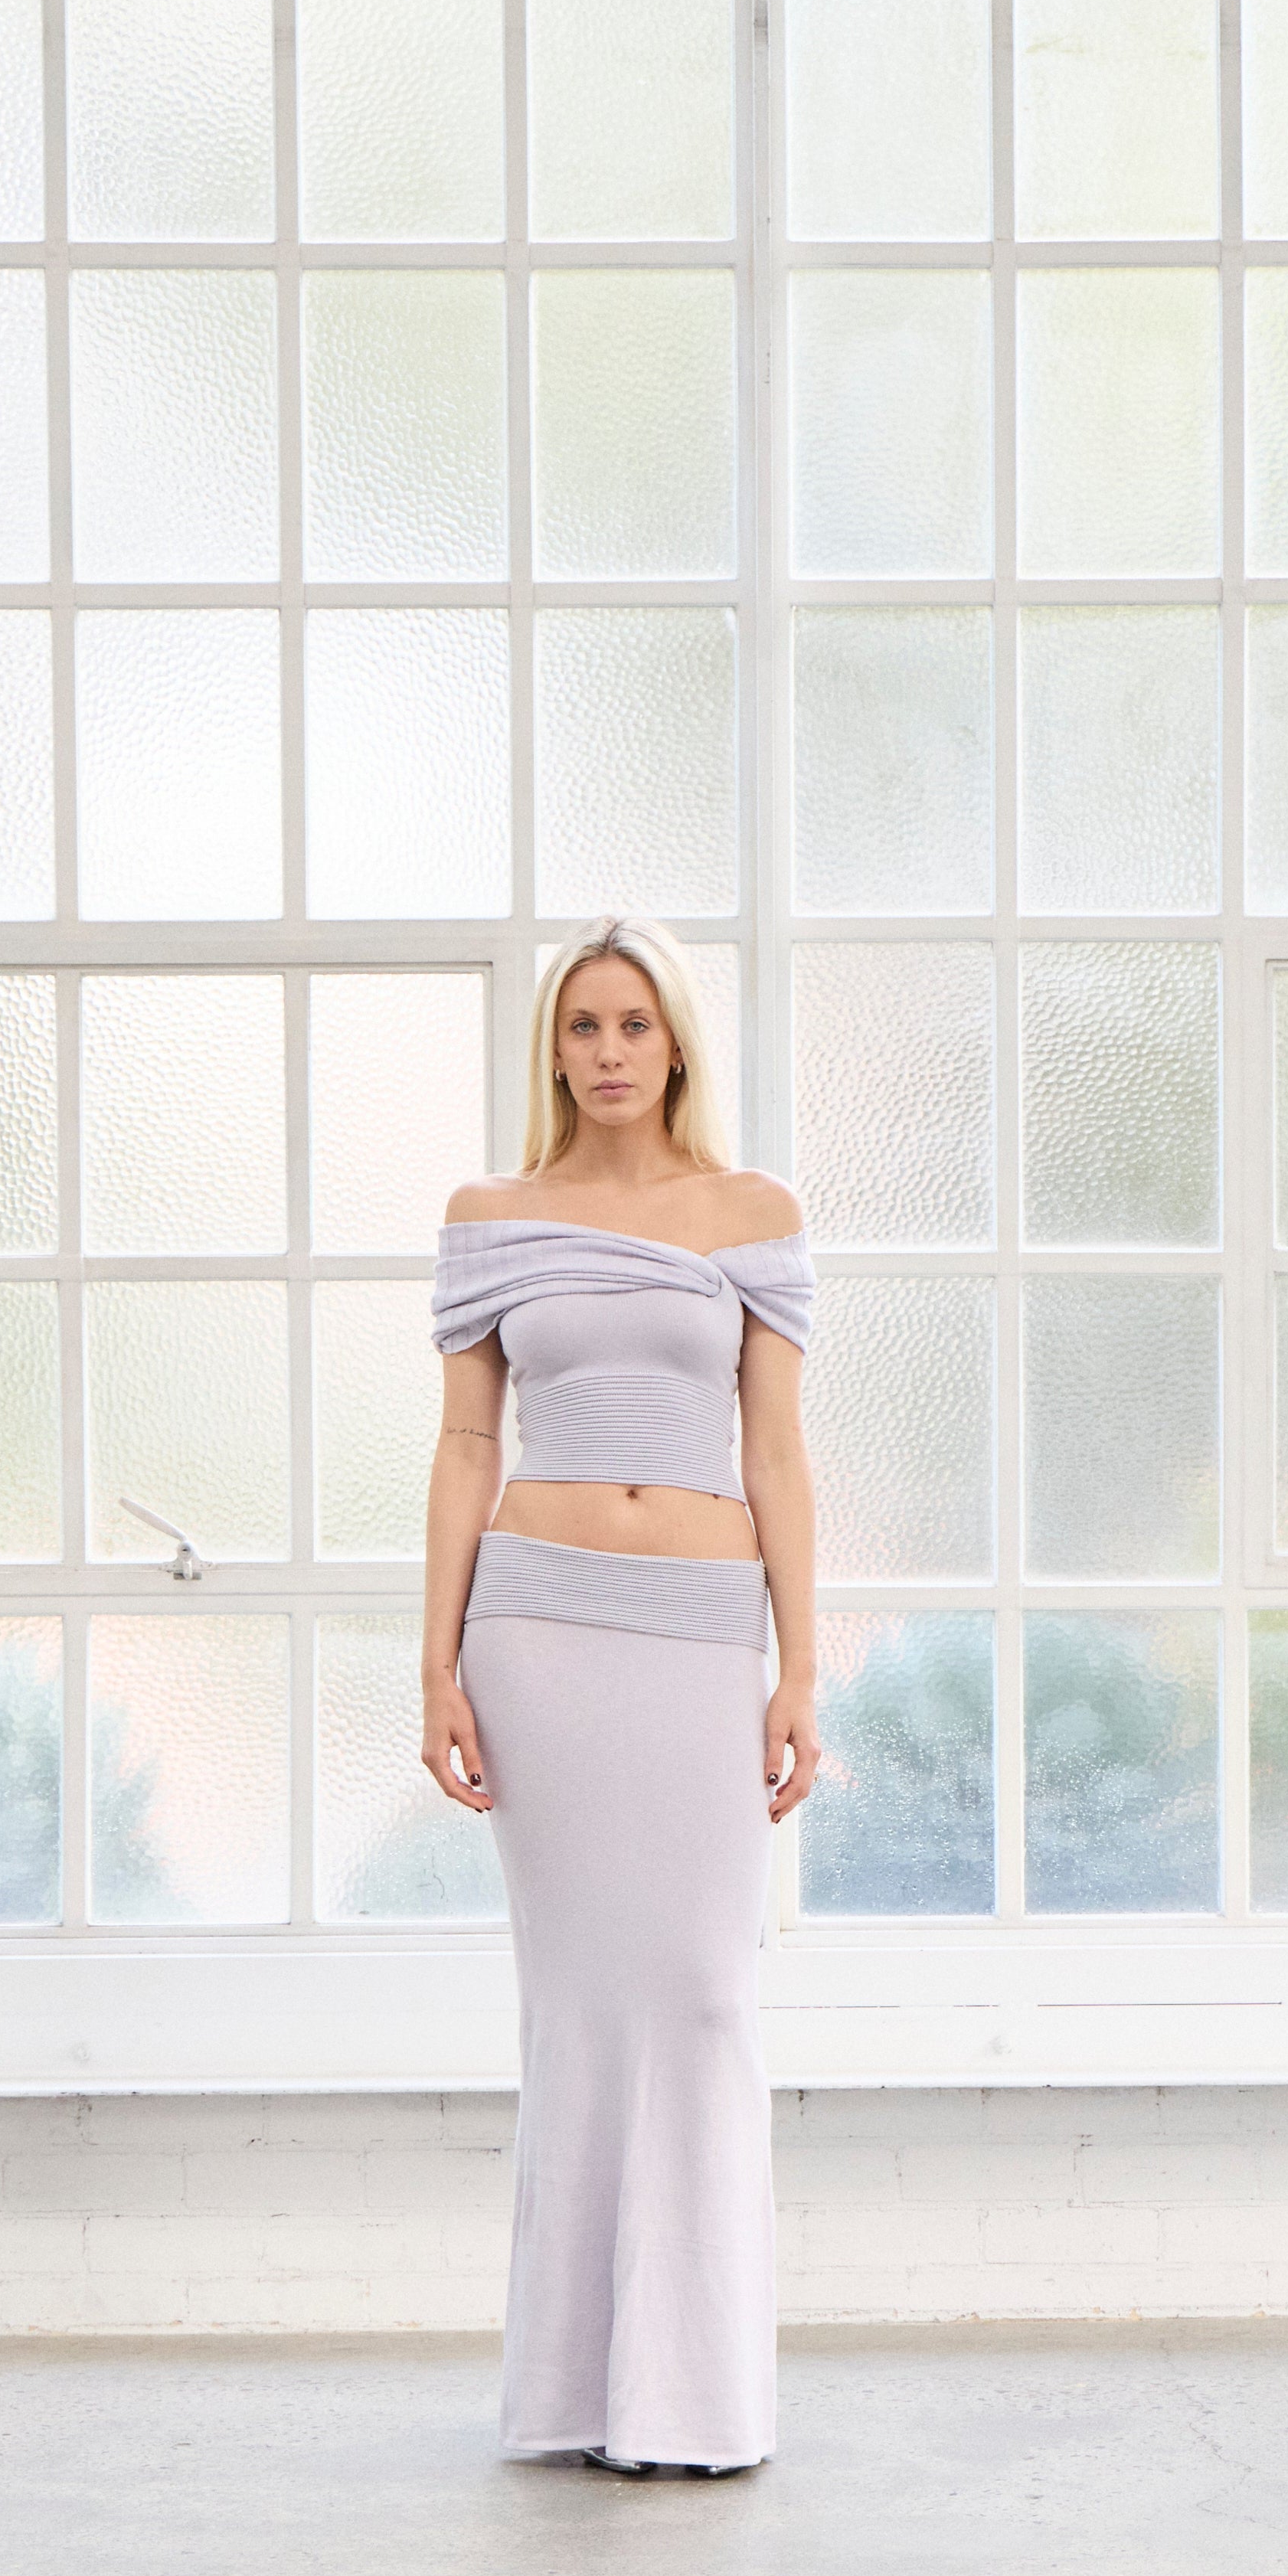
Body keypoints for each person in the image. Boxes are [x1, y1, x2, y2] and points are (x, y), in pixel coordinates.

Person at [420, 914, 819, 2478]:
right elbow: (465, 1447)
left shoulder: (751, 1213)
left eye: (630, 1026)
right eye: (580, 1027)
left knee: (707, 1992)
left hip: (700, 1628)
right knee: (581, 2010)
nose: (604, 1054)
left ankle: (696, 2395)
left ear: (674, 1045)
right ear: (553, 1049)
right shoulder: (489, 1217)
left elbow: (776, 1450)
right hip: (539, 1632)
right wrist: (435, 1660)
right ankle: (583, 2399)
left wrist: (802, 1665)